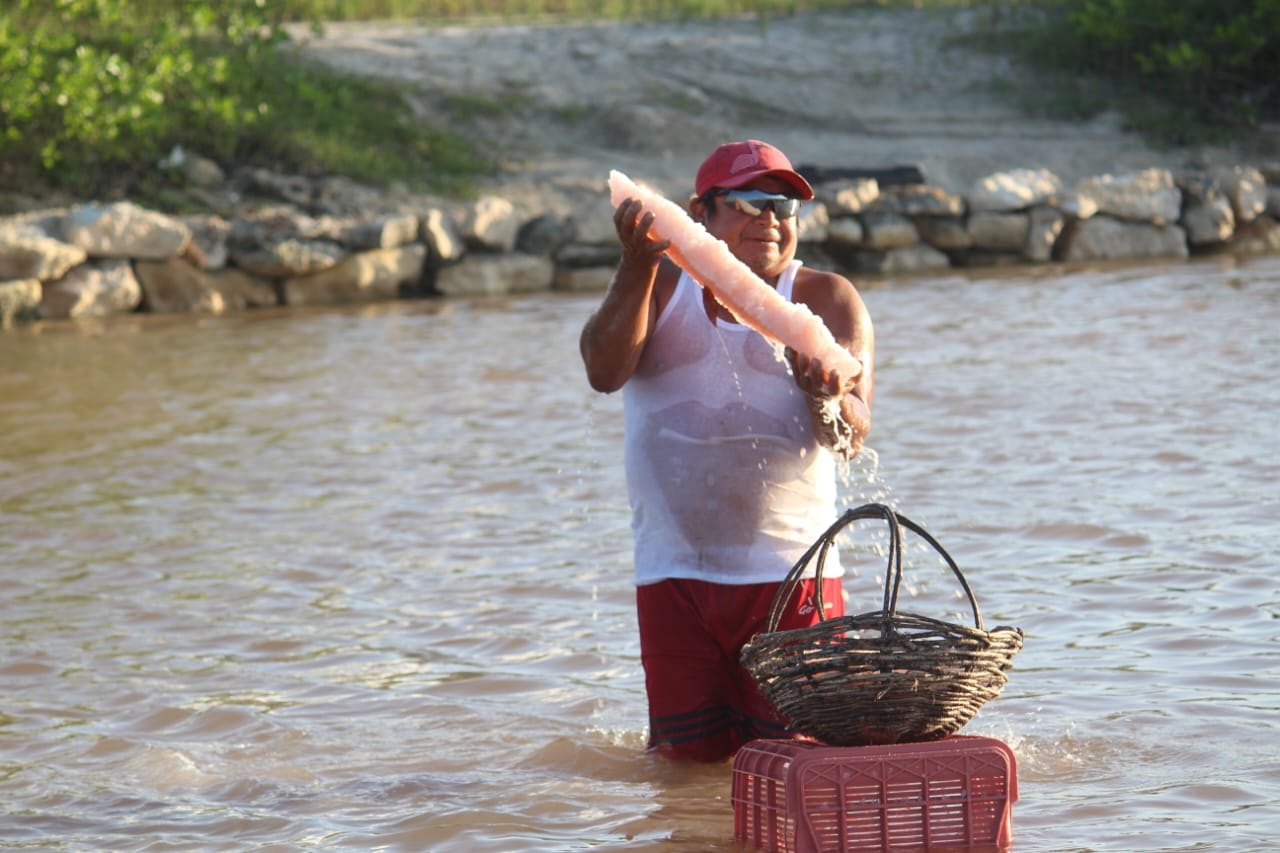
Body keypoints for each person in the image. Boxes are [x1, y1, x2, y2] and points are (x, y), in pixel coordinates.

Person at [579, 139, 875, 762]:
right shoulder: (659, 285)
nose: (769, 219)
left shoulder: (827, 298)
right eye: (747, 203)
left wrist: (825, 397)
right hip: (673, 577)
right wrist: (635, 263)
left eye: (783, 207)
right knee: (683, 772)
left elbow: (852, 435)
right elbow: (604, 372)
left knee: (800, 763)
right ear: (699, 214)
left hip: (795, 579)